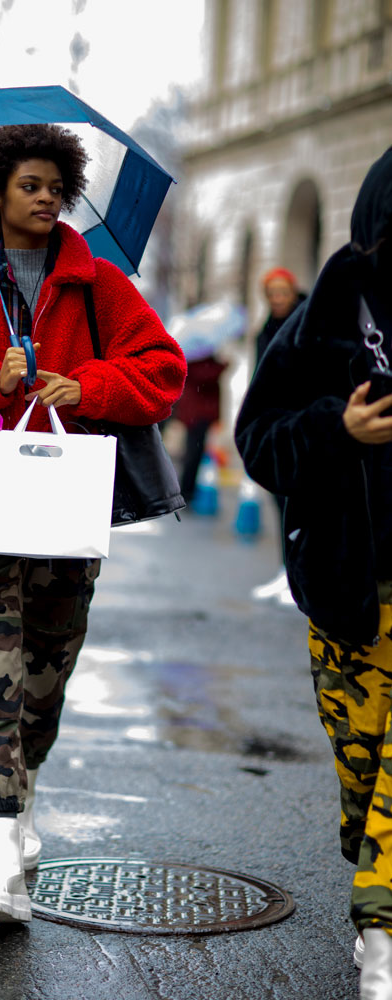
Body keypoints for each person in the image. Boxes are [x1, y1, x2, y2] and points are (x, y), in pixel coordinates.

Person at [0, 124, 186, 925]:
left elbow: (162, 370)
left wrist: (84, 388)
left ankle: (22, 811)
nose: (48, 196)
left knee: (44, 683)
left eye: (57, 184)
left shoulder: (101, 285)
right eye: (30, 184)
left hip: (66, 512)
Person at [235, 146, 392, 1000]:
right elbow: (260, 439)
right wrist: (340, 430)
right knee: (365, 775)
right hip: (350, 592)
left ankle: (381, 946)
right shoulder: (333, 307)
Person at [249, 267, 305, 605]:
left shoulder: (309, 322)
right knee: (278, 499)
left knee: (298, 502)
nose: (278, 299)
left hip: (302, 425)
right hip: (275, 427)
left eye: (283, 292)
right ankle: (287, 571)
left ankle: (299, 575)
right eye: (272, 293)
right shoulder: (265, 330)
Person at [171, 354, 228, 506]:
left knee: (196, 453)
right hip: (197, 414)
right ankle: (186, 493)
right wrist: (222, 366)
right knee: (193, 454)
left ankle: (188, 492)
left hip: (199, 413)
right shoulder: (196, 356)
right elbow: (204, 375)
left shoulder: (204, 354)